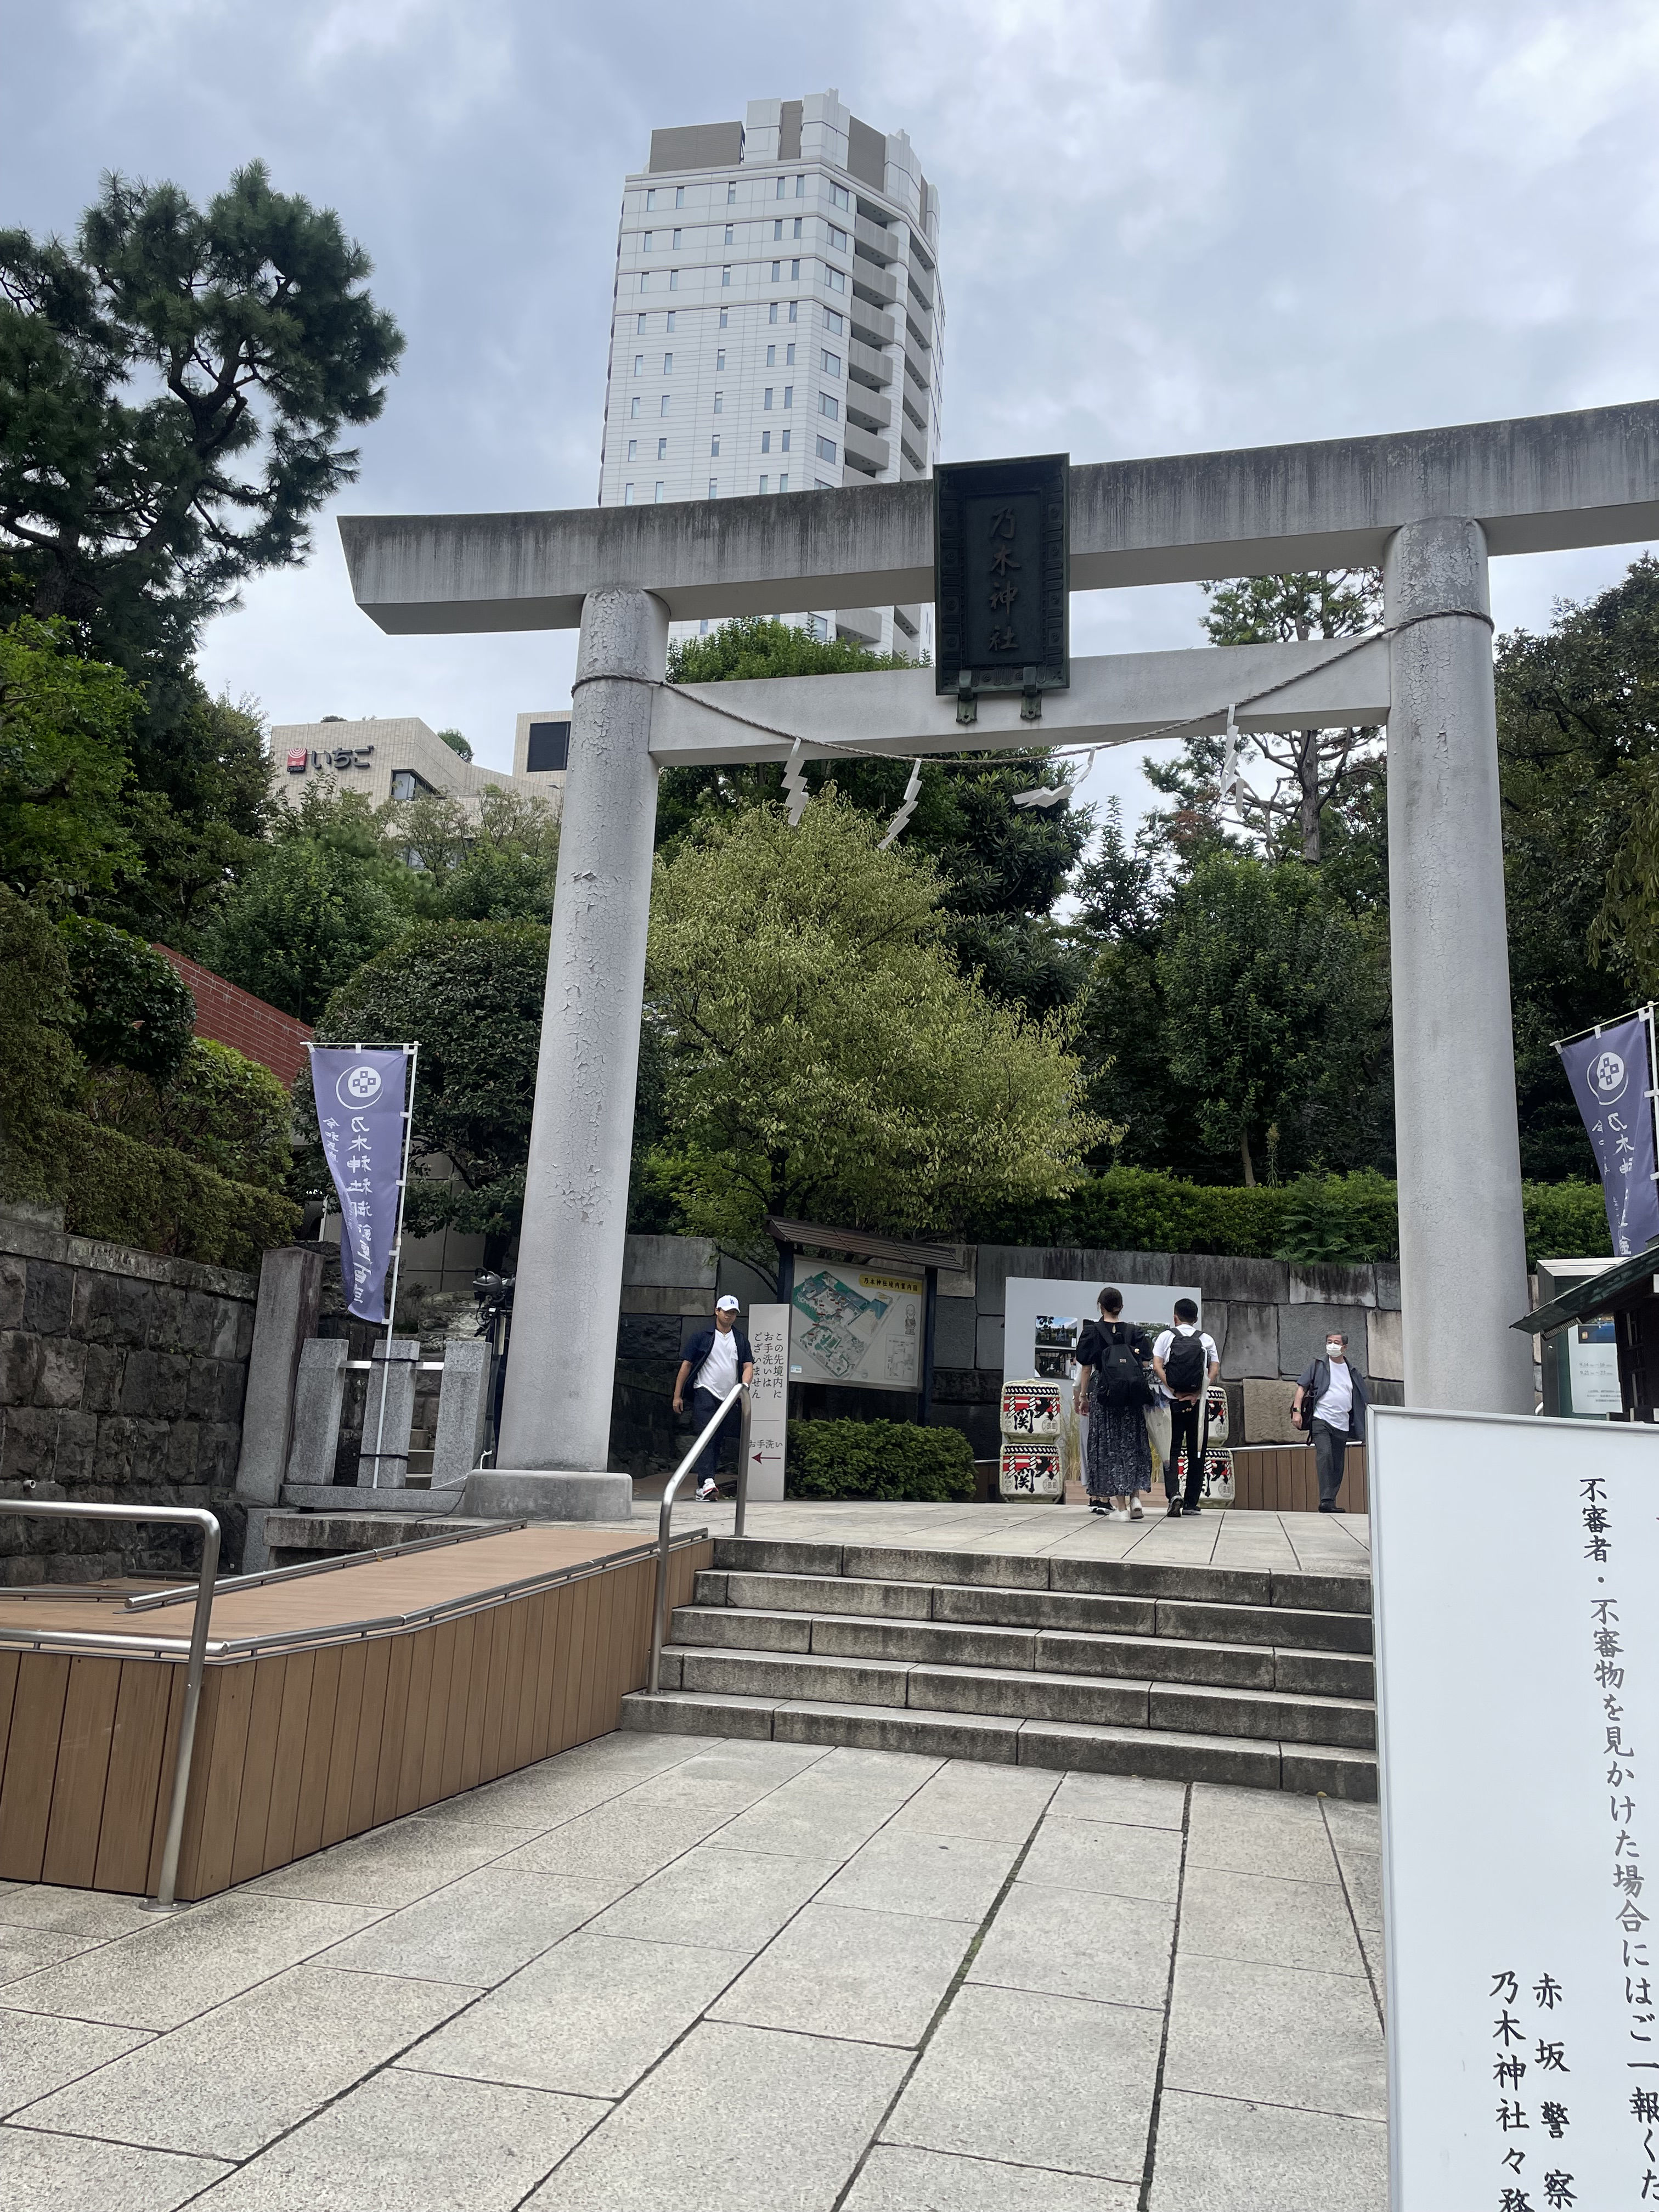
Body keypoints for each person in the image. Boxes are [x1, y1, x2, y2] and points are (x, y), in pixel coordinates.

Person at [1073, 1287, 1153, 1521]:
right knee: (1133, 1444)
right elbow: (1145, 1363)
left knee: (1110, 1448)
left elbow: (1086, 1368)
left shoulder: (1092, 1333)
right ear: (1121, 1306)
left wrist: (1083, 1396)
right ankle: (1136, 1497)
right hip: (1132, 1397)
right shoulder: (1135, 1332)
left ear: (1101, 1306)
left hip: (1105, 1395)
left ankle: (1121, 1509)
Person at [673, 1295, 754, 1500]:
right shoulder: (702, 1337)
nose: (730, 1315)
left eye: (734, 1312)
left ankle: (706, 1484)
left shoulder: (741, 1340)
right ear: (717, 1311)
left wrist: (743, 1388)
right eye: (726, 1311)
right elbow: (686, 1366)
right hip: (705, 1391)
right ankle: (707, 1481)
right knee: (706, 1435)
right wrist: (678, 1395)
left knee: (718, 1439)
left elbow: (748, 1365)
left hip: (729, 1397)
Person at [1153, 1298, 1221, 1519]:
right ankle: (1192, 1503)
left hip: (1172, 1404)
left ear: (1175, 1317)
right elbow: (1215, 1368)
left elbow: (1157, 1365)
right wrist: (1200, 1392)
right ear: (1196, 1318)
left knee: (1170, 1451)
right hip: (1197, 1405)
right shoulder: (1206, 1339)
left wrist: (1173, 1388)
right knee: (1197, 1451)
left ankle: (1173, 1495)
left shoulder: (1166, 1336)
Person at [1291, 1330, 1370, 1512]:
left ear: (1345, 1347)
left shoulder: (1352, 1371)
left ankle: (1330, 1501)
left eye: (1336, 1343)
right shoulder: (1318, 1365)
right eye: (1329, 1342)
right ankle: (1326, 1501)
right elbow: (1301, 1387)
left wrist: (1364, 1427)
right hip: (1321, 1419)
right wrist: (1297, 1411)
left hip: (1342, 1423)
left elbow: (1362, 1400)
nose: (1332, 1346)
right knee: (1325, 1455)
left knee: (1337, 1463)